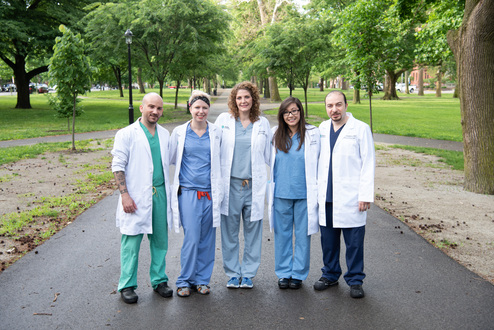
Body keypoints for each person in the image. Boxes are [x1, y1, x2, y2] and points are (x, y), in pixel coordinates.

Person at [111, 92, 173, 304]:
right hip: (135, 195)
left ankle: (159, 281)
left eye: (159, 108)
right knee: (131, 241)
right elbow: (118, 165)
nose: (155, 111)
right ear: (142, 108)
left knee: (160, 241)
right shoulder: (126, 134)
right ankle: (127, 285)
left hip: (160, 193)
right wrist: (124, 195)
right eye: (151, 107)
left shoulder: (165, 134)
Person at [314, 90, 375, 298]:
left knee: (354, 242)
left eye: (338, 105)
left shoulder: (360, 129)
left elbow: (368, 163)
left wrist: (365, 194)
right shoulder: (322, 129)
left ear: (346, 105)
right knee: (328, 242)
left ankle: (355, 280)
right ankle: (330, 274)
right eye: (330, 106)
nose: (334, 110)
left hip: (351, 196)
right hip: (327, 196)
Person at [215, 81, 271, 289]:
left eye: (247, 97)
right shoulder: (224, 120)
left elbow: (270, 155)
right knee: (229, 232)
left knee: (253, 231)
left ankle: (247, 273)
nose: (243, 101)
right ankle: (232, 273)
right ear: (234, 100)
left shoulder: (262, 124)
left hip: (253, 186)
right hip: (230, 185)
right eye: (239, 98)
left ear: (253, 99)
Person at [169, 91, 223, 297]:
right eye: (197, 107)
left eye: (204, 107)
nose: (201, 111)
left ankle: (202, 280)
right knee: (192, 237)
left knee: (208, 238)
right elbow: (172, 159)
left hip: (210, 193)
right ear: (190, 108)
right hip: (189, 193)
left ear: (208, 109)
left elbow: (222, 160)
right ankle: (184, 280)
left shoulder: (216, 132)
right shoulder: (180, 132)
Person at [268, 97, 320, 290]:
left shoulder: (313, 134)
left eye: (294, 111)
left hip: (305, 194)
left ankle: (298, 273)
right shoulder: (275, 134)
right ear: (282, 115)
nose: (291, 115)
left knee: (303, 235)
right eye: (287, 112)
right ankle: (283, 273)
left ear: (301, 112)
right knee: (282, 235)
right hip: (281, 193)